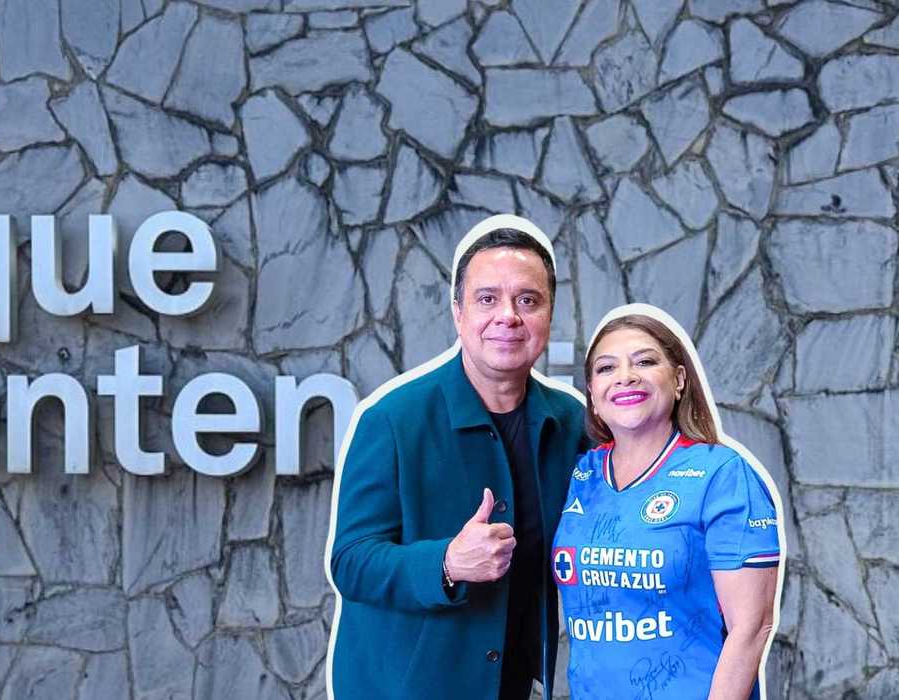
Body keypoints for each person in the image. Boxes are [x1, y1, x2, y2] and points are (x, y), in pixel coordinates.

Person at [326, 215, 591, 700]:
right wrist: (447, 562)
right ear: (458, 313)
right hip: (403, 689)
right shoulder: (391, 420)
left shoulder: (572, 423)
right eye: (487, 298)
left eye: (528, 300)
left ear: (549, 316)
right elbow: (351, 561)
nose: (508, 316)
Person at [552, 307, 782, 700]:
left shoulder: (722, 474)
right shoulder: (581, 474)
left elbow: (752, 626)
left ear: (678, 380)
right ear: (592, 393)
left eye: (645, 361)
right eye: (606, 368)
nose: (625, 376)